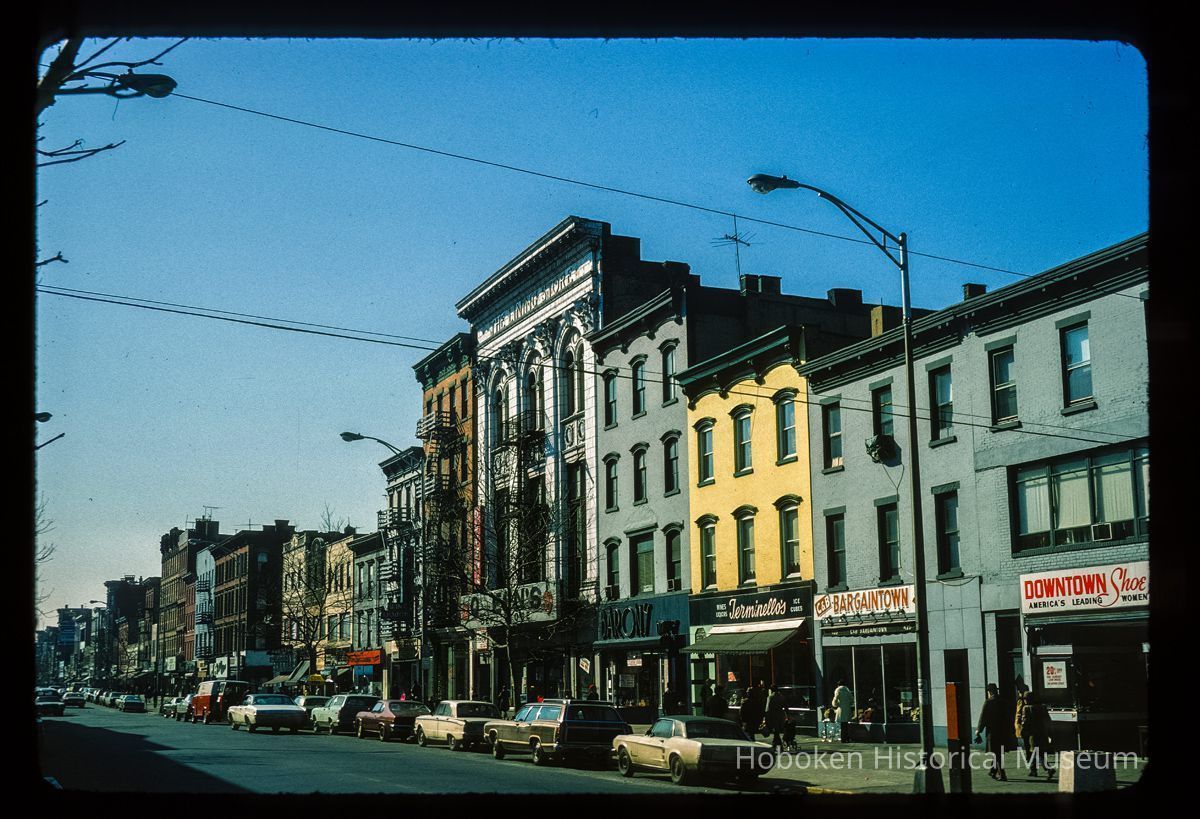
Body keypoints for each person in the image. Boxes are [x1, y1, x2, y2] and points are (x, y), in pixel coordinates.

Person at [975, 682, 1009, 781]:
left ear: (989, 691)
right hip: (1003, 732)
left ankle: (1002, 774)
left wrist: (978, 731)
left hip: (993, 732)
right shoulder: (1003, 702)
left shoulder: (988, 702)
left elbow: (983, 718)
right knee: (998, 752)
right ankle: (992, 771)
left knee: (996, 753)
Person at [1019, 691, 1054, 779]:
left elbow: (1025, 722)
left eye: (1025, 699)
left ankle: (1048, 769)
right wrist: (1050, 733)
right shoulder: (1043, 707)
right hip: (1043, 733)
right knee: (1036, 752)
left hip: (1033, 735)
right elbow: (1048, 721)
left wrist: (1022, 731)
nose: (1025, 701)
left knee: (1037, 752)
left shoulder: (1026, 708)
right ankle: (1033, 770)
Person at [765, 685, 786, 752]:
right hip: (781, 716)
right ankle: (775, 746)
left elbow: (767, 709)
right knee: (776, 732)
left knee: (776, 732)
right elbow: (786, 707)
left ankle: (778, 747)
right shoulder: (782, 697)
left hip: (773, 716)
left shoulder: (770, 697)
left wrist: (766, 718)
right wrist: (788, 716)